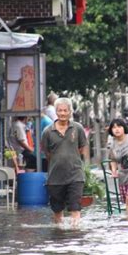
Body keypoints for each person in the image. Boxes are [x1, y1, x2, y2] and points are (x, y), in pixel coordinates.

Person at [41, 97, 87, 226]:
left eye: (65, 110)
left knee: (75, 207)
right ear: (55, 111)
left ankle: (75, 233)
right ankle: (59, 235)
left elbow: (82, 148)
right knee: (57, 210)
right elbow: (47, 153)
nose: (62, 113)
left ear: (70, 112)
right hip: (55, 177)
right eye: (59, 110)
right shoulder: (48, 132)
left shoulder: (77, 128)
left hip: (75, 175)